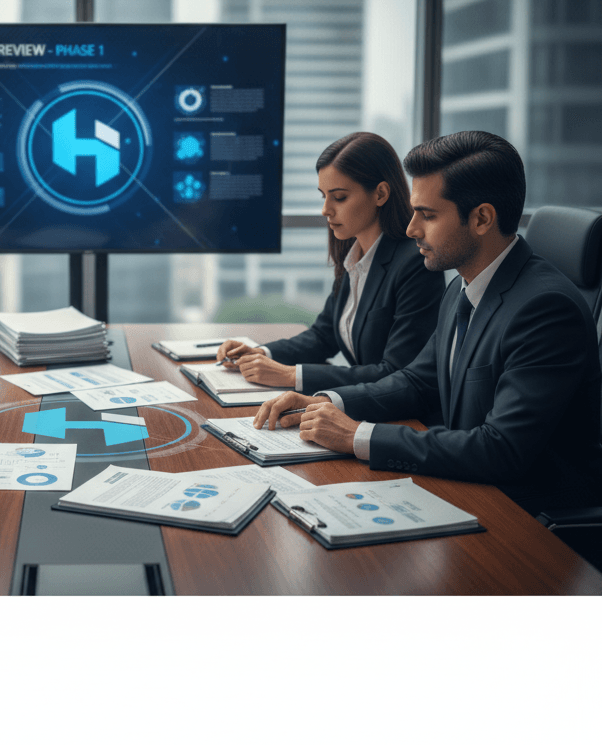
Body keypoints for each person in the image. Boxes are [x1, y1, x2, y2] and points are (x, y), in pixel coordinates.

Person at [254, 130, 602, 517]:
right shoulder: (461, 288)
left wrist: (357, 436)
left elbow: (501, 449)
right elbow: (417, 381)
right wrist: (325, 403)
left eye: (428, 215)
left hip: (528, 522)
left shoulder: (546, 310)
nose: (410, 229)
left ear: (482, 218)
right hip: (467, 490)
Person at [217, 131, 444, 393]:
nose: (326, 209)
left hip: (403, 416)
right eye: (323, 196)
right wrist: (261, 353)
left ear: (380, 194)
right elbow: (323, 336)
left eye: (339, 197)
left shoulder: (415, 264)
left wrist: (292, 376)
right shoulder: (353, 255)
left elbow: (394, 371)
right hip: (362, 404)